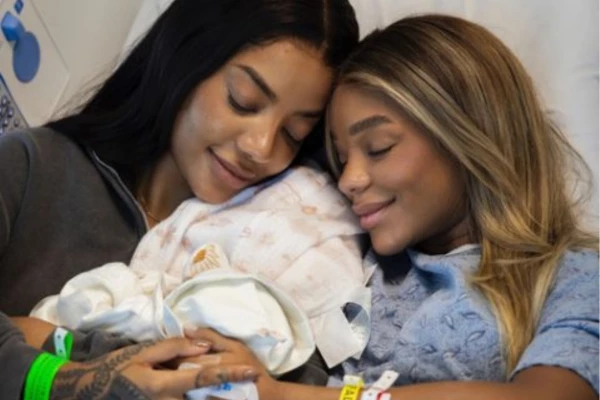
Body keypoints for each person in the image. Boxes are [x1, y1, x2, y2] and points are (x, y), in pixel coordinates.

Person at [182, 14, 599, 400]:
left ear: (468, 134)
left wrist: (284, 396)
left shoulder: (571, 280)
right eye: (341, 158)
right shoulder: (348, 257)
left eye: (378, 148)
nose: (348, 180)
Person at [0, 0, 359, 397]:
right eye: (243, 101)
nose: (260, 147)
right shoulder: (33, 167)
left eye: (292, 134)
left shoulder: (286, 247)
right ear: (185, 57)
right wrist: (71, 381)